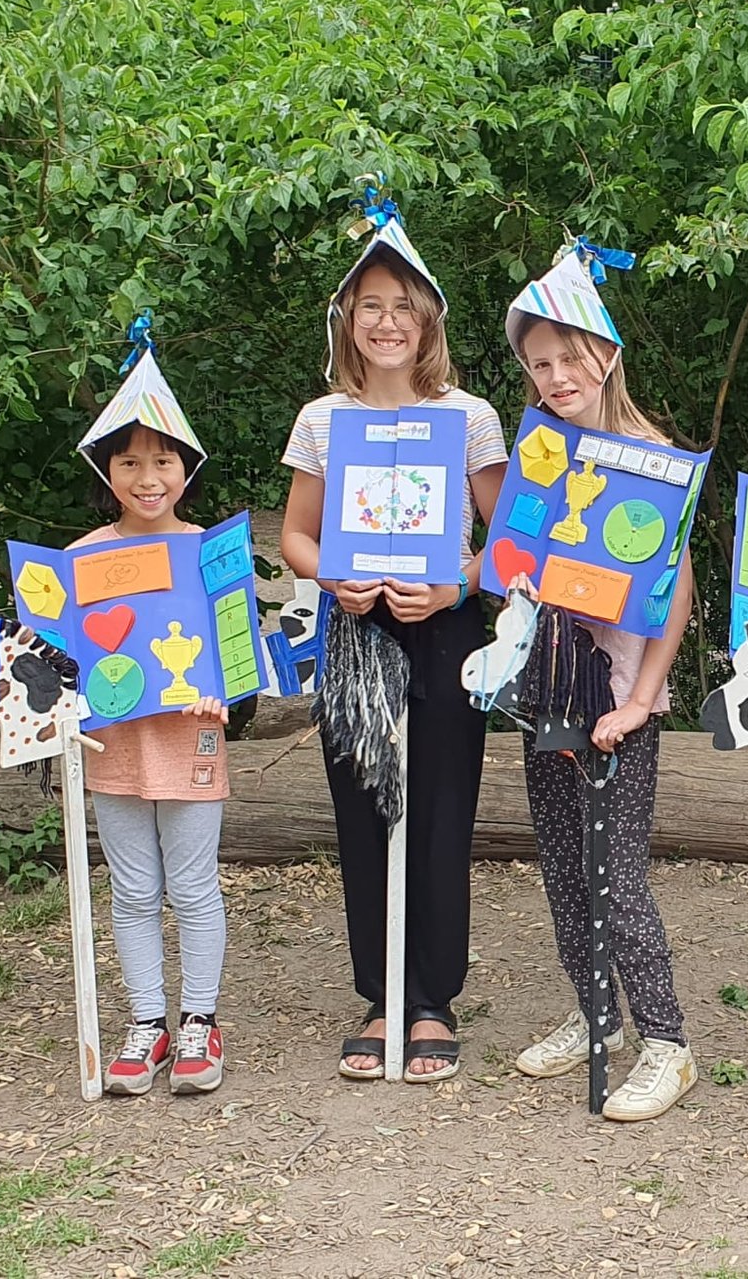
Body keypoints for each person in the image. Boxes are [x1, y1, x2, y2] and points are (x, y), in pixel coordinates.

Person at [279, 200, 506, 1082]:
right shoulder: (323, 419)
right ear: (348, 319)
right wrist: (330, 575)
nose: (386, 322)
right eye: (370, 305)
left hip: (444, 627)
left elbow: (508, 540)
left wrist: (458, 583)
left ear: (428, 321)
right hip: (356, 635)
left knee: (445, 808)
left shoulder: (470, 414)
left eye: (402, 306)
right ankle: (381, 995)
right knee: (363, 808)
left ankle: (432, 1000)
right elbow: (299, 534)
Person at [502, 244, 699, 1120]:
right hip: (546, 687)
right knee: (562, 866)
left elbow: (677, 590)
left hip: (618, 697)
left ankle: (667, 1041)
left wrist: (639, 696)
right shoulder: (539, 451)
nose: (554, 375)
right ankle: (597, 1017)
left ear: (606, 353)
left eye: (568, 357)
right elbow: (512, 561)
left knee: (616, 871)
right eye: (538, 363)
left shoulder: (650, 455)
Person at [71, 336, 232, 1097]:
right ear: (108, 471)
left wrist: (223, 692)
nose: (147, 476)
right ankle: (148, 1020)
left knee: (194, 885)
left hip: (190, 738)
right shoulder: (83, 558)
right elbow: (64, 661)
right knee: (133, 888)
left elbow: (237, 661)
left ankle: (200, 1018)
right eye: (130, 461)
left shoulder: (210, 552)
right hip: (115, 745)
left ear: (186, 469)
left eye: (163, 460)